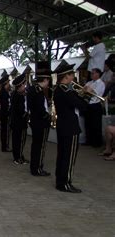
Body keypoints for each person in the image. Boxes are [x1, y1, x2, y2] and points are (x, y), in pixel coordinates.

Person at [53, 62, 88, 193]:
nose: (73, 76)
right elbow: (82, 106)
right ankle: (65, 182)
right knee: (69, 156)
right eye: (72, 74)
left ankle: (60, 180)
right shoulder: (66, 91)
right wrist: (85, 94)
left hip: (62, 125)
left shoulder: (59, 89)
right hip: (70, 127)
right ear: (66, 77)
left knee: (62, 154)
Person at [27, 62, 52, 176]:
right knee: (40, 146)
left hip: (35, 120)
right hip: (40, 122)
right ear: (45, 80)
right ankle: (37, 168)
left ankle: (34, 166)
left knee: (36, 145)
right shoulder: (38, 91)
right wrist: (47, 117)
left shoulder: (33, 89)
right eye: (48, 81)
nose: (49, 83)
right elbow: (40, 108)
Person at [10, 74, 29, 165]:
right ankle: (19, 157)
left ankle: (17, 156)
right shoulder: (19, 96)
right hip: (20, 122)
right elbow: (21, 110)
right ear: (21, 85)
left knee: (16, 140)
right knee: (20, 140)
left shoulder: (14, 94)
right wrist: (27, 115)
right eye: (24, 85)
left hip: (15, 122)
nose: (25, 87)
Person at [83, 68, 105, 147]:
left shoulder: (101, 83)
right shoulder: (89, 82)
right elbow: (84, 90)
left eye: (93, 73)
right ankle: (89, 140)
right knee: (88, 123)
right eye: (91, 73)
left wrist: (88, 90)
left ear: (98, 74)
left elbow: (93, 92)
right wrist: (87, 90)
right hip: (88, 104)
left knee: (96, 124)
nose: (91, 75)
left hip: (96, 105)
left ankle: (97, 142)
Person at [0, 76, 11, 152]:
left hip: (4, 113)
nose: (9, 84)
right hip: (5, 114)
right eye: (8, 82)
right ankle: (4, 146)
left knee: (4, 130)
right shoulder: (4, 93)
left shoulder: (4, 92)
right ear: (5, 83)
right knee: (5, 131)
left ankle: (5, 146)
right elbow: (6, 105)